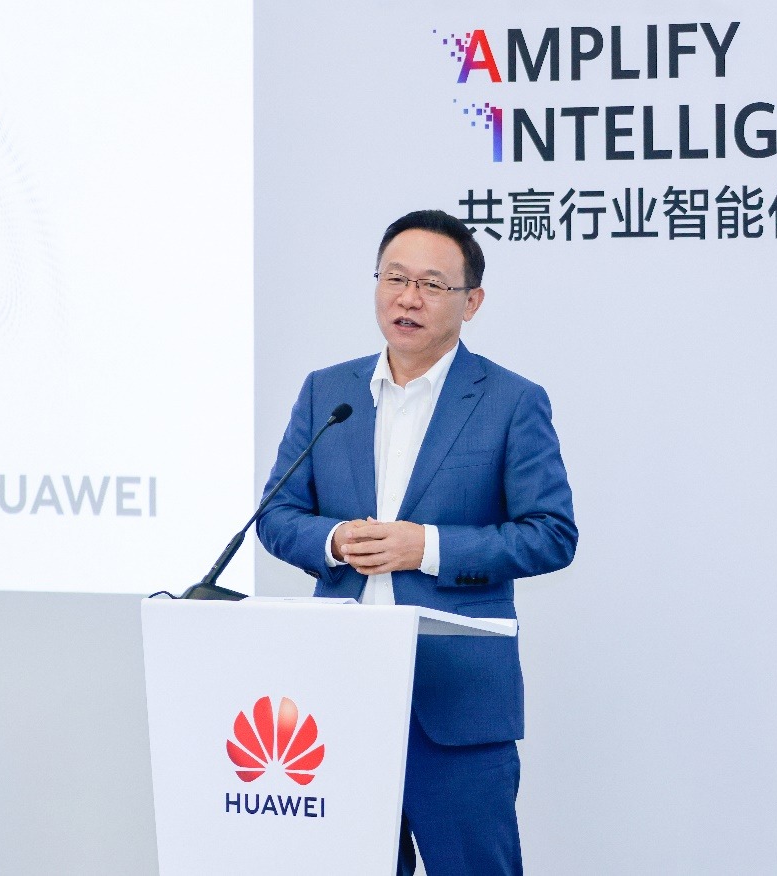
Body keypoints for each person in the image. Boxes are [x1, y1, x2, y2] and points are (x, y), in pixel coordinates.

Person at [256, 209, 577, 875]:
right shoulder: (327, 392)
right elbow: (277, 515)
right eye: (395, 278)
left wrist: (426, 548)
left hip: (456, 703)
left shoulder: (511, 401)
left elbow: (551, 534)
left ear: (471, 302)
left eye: (432, 285)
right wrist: (336, 539)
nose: (408, 298)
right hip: (341, 697)